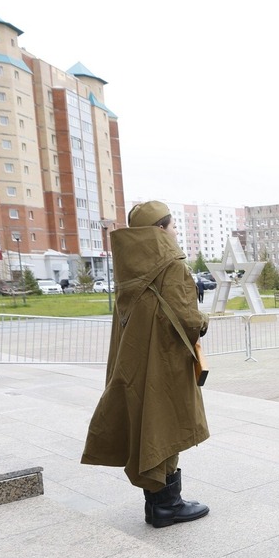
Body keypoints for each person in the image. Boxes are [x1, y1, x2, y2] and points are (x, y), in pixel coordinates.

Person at [81, 201, 211, 528]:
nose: (175, 232)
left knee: (148, 423)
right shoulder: (172, 265)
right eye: (172, 226)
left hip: (135, 361)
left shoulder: (128, 267)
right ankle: (167, 505)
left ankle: (156, 504)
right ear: (160, 229)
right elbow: (189, 321)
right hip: (165, 363)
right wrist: (204, 319)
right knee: (167, 425)